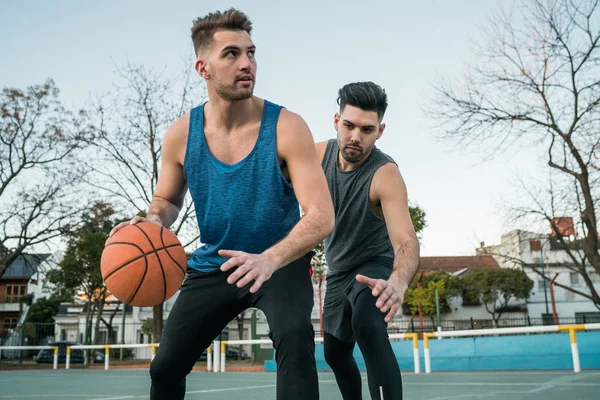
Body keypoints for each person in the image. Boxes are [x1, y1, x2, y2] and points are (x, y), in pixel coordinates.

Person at [108, 8, 334, 400]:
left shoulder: (287, 126)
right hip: (216, 263)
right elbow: (165, 201)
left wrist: (269, 259)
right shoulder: (180, 134)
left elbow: (321, 216)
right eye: (231, 54)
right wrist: (149, 224)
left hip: (278, 262)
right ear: (203, 67)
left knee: (296, 340)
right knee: (164, 369)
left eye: (251, 52)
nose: (247, 63)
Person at [315, 82, 420, 400]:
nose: (355, 137)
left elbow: (407, 240)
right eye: (348, 126)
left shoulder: (385, 174)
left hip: (373, 266)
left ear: (380, 131)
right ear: (337, 121)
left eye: (366, 129)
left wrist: (398, 282)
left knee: (367, 324)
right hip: (338, 271)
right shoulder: (317, 154)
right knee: (334, 354)